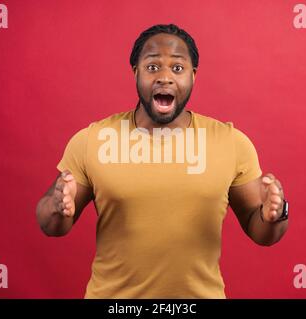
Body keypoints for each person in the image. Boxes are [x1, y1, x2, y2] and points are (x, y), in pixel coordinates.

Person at [36, 24, 289, 299]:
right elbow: (51, 226)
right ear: (136, 72)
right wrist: (58, 207)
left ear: (193, 76)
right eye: (153, 67)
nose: (164, 78)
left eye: (177, 68)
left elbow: (263, 233)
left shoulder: (230, 142)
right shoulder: (93, 139)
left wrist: (274, 214)